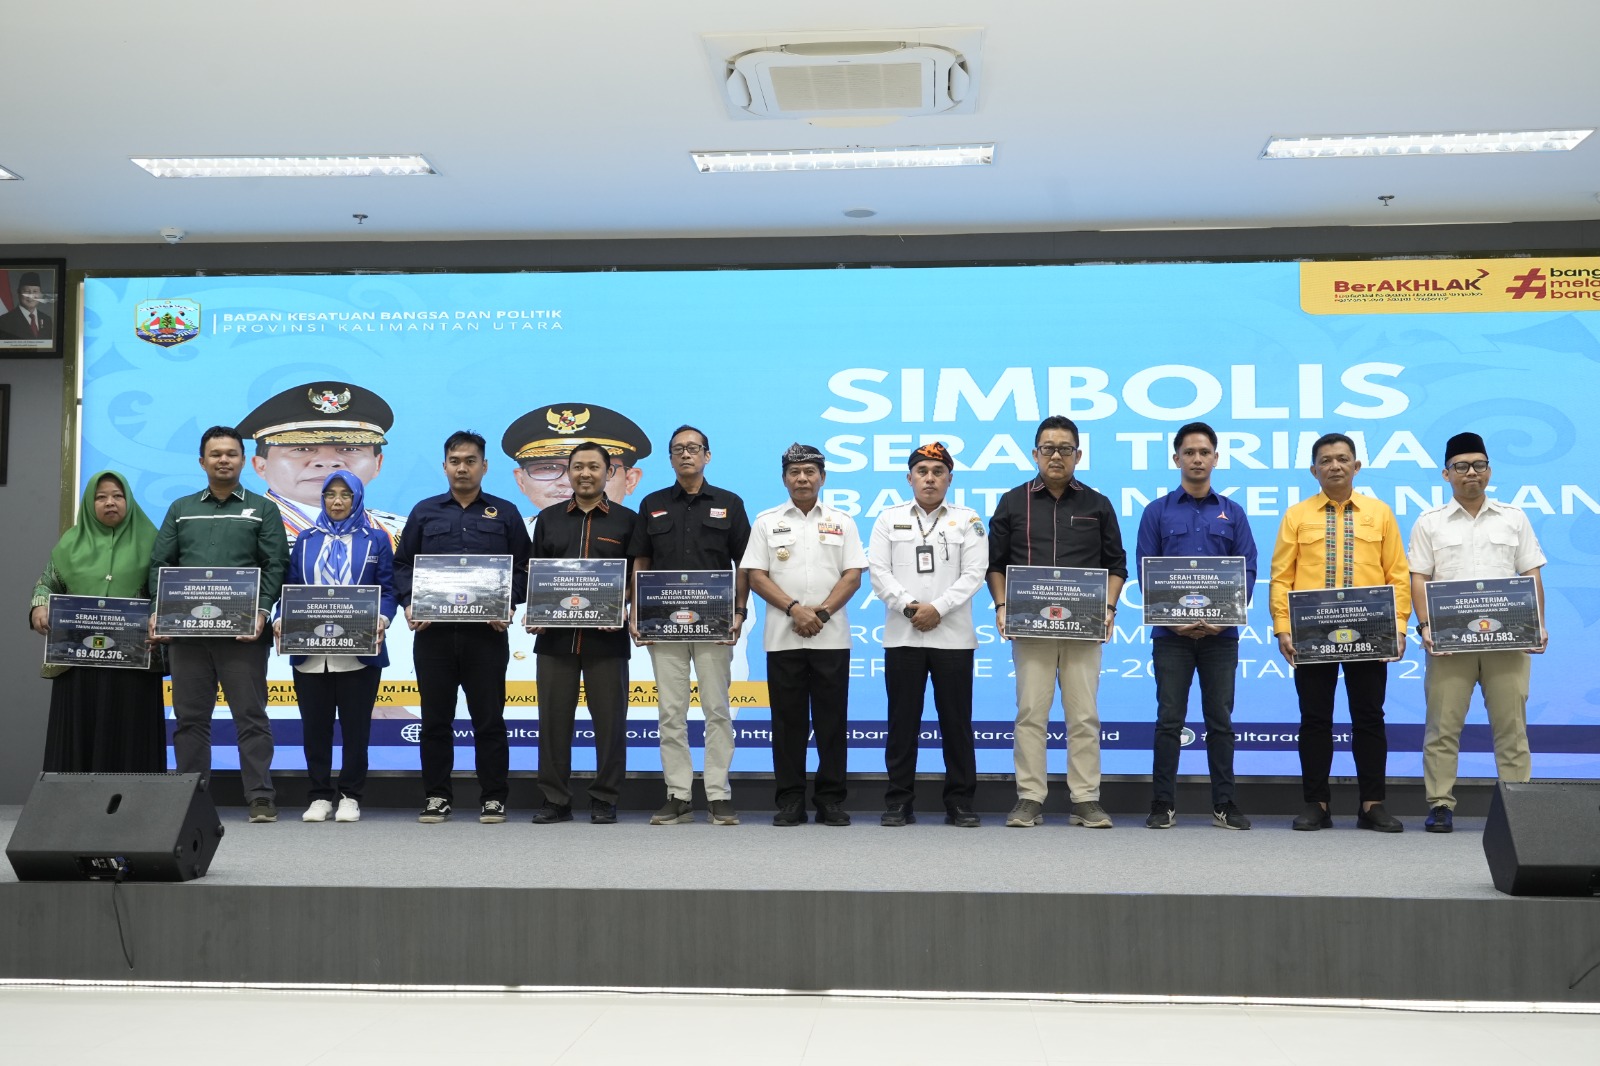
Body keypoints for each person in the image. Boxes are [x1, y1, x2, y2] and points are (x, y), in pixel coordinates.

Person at [987, 416, 1127, 829]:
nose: (1056, 456)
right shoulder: (1012, 502)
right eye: (1048, 448)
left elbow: (1116, 565)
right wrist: (1001, 605)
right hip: (1030, 627)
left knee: (1083, 716)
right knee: (1031, 712)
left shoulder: (1098, 504)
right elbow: (994, 565)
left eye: (1065, 449)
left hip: (1084, 627)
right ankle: (1030, 796)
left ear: (1078, 455)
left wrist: (1109, 608)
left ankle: (1085, 799)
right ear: (1035, 454)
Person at [1407, 431, 1548, 834]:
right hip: (1449, 645)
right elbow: (1419, 578)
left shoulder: (1513, 517)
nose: (1471, 472)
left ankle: (1518, 806)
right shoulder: (1429, 522)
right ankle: (1440, 803)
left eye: (1479, 465)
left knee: (1512, 727)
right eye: (1462, 466)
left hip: (1508, 642)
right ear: (1446, 474)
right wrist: (1425, 626)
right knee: (1442, 727)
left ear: (1489, 470)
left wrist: (1537, 623)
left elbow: (1531, 572)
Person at [1270, 432, 1410, 833]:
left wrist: (1399, 626)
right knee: (1315, 719)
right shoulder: (1296, 515)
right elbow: (1281, 577)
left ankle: (1372, 804)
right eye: (1326, 460)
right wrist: (1283, 627)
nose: (1335, 466)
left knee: (1369, 717)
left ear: (1356, 466)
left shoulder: (1379, 513)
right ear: (1313, 470)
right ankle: (1317, 804)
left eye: (1343, 459)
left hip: (1371, 631)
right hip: (1312, 633)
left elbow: (1397, 574)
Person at [148, 427, 289, 823]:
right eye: (215, 454)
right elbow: (160, 564)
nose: (223, 460)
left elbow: (276, 564)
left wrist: (262, 611)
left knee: (251, 716)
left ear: (244, 460)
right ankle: (190, 798)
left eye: (231, 453)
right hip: (188, 637)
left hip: (243, 636)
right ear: (202, 461)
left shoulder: (263, 509)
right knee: (190, 720)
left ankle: (260, 796)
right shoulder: (181, 508)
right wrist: (160, 609)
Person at [394, 430, 530, 825]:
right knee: (435, 720)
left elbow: (525, 568)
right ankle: (437, 795)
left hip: (486, 635)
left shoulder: (505, 513)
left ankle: (494, 797)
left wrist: (506, 601)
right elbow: (402, 565)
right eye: (455, 461)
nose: (462, 468)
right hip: (434, 635)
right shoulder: (424, 512)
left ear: (484, 466)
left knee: (489, 720)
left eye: (470, 461)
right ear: (444, 466)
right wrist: (409, 603)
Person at [1135, 422, 1258, 831]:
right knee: (1169, 720)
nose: (1197, 459)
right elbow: (1146, 571)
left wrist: (1224, 619)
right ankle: (1161, 803)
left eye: (1205, 452)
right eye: (1189, 452)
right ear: (1177, 459)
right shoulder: (1157, 512)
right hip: (1171, 638)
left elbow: (1248, 569)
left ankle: (1225, 803)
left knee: (1220, 721)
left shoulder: (1233, 512)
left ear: (1216, 458)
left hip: (1222, 638)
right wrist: (1174, 622)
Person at [628, 425, 752, 826]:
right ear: (670, 458)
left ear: (707, 456)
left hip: (715, 624)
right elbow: (641, 561)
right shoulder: (652, 503)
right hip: (662, 625)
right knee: (670, 711)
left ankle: (718, 794)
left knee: (717, 709)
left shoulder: (729, 503)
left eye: (694, 448)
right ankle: (678, 794)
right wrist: (635, 612)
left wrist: (739, 612)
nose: (686, 454)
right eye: (678, 449)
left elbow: (744, 564)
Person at [740, 443, 866, 827]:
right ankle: (790, 800)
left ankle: (831, 800)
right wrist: (795, 609)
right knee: (787, 723)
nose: (802, 479)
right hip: (783, 636)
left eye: (810, 472)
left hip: (831, 637)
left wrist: (821, 613)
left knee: (832, 722)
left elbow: (853, 576)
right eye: (795, 472)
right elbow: (756, 575)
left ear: (822, 478)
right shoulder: (766, 521)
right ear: (784, 479)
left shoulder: (843, 521)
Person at [867, 441, 987, 828]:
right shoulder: (889, 518)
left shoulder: (968, 519)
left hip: (953, 638)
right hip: (903, 636)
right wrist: (909, 607)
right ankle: (898, 802)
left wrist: (938, 608)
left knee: (956, 723)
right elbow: (879, 572)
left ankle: (960, 803)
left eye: (938, 472)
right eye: (922, 472)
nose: (930, 479)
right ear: (910, 478)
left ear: (949, 479)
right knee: (902, 723)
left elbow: (975, 573)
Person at [526, 442, 640, 825]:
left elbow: (636, 576)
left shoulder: (627, 521)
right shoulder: (549, 519)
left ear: (609, 472)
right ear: (569, 472)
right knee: (552, 721)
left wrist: (622, 602)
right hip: (554, 639)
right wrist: (536, 609)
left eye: (594, 467)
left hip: (607, 637)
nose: (585, 474)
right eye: (577, 467)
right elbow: (537, 573)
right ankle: (555, 799)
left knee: (610, 722)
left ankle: (605, 798)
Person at [275, 472, 398, 824]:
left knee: (356, 731)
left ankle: (350, 795)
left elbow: (388, 590)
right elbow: (291, 587)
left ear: (357, 498)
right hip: (311, 653)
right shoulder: (306, 539)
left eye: (346, 494)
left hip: (358, 653)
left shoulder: (376, 539)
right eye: (330, 494)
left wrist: (382, 618)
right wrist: (281, 617)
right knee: (315, 729)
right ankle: (318, 795)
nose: (338, 501)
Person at [28, 471, 165, 772]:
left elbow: (164, 593)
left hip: (133, 665)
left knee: (129, 737)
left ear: (129, 500)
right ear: (90, 504)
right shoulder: (70, 543)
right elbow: (47, 583)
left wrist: (160, 621)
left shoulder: (154, 543)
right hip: (77, 665)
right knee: (79, 735)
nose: (109, 502)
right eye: (100, 497)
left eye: (117, 496)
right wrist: (39, 605)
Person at [236, 381, 405, 548]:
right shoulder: (235, 532)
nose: (328, 461)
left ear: (378, 463)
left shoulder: (404, 532)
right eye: (302, 449)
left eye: (349, 448)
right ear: (261, 466)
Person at [502, 403, 652, 530]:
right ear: (521, 481)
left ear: (630, 480)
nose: (569, 481)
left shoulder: (648, 537)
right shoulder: (511, 536)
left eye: (594, 467)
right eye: (548, 468)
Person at [0, 271, 53, 343]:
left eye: (35, 291)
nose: (31, 296)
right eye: (26, 291)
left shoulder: (47, 320)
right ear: (18, 293)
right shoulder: (4, 321)